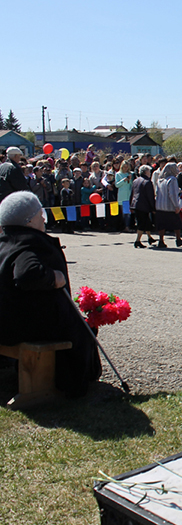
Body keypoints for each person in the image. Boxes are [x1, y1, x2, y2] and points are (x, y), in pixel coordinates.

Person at [0, 191, 101, 398]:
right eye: (40, 215)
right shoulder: (29, 242)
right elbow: (27, 275)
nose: (43, 219)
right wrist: (54, 278)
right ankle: (70, 384)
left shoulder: (5, 241)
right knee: (82, 328)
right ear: (29, 221)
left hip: (6, 320)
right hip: (25, 325)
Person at [154, 162, 182, 248]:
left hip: (160, 205)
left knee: (161, 225)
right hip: (169, 206)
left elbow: (157, 192)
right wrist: (176, 206)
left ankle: (161, 241)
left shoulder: (160, 180)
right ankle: (178, 239)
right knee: (177, 223)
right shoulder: (172, 179)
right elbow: (172, 194)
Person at [131, 165, 156, 248]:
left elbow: (132, 194)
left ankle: (149, 237)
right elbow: (150, 196)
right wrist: (153, 207)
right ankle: (137, 241)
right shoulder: (147, 182)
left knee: (147, 222)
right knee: (142, 223)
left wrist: (131, 205)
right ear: (146, 172)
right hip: (144, 205)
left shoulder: (135, 181)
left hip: (136, 204)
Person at [115, 160, 134, 232]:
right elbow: (117, 185)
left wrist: (130, 179)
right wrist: (124, 180)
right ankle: (124, 226)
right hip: (122, 196)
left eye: (127, 167)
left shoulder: (130, 174)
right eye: (124, 167)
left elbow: (132, 184)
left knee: (128, 213)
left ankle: (127, 226)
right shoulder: (118, 174)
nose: (125, 168)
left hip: (128, 195)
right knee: (124, 213)